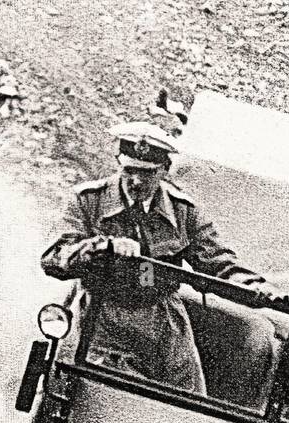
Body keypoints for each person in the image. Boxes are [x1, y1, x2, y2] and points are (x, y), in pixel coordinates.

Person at [41, 121, 274, 395]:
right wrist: (103, 246)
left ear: (164, 170)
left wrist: (255, 287)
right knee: (94, 397)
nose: (136, 181)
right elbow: (55, 257)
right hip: (101, 318)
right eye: (129, 170)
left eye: (147, 173)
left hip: (163, 320)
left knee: (189, 401)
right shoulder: (88, 200)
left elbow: (217, 262)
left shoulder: (183, 211)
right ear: (118, 162)